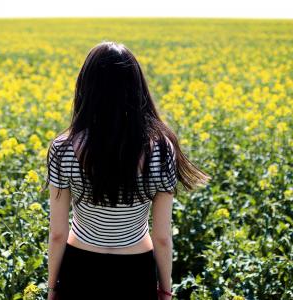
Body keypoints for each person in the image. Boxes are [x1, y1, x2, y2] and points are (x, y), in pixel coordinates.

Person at [42, 41, 211, 300]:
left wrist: (53, 288)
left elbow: (57, 233)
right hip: (135, 270)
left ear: (86, 87)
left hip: (80, 268)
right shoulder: (162, 148)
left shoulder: (62, 148)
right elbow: (162, 237)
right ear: (137, 88)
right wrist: (165, 290)